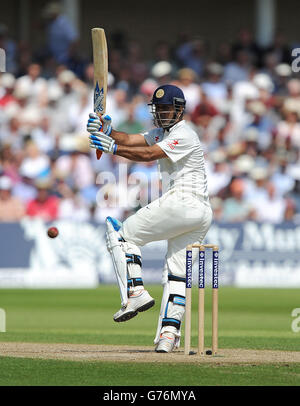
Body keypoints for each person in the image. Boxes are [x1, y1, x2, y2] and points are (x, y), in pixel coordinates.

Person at [87, 84, 212, 353]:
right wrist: (106, 131)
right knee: (177, 274)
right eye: (159, 109)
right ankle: (169, 335)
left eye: (167, 108)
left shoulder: (185, 134)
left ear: (179, 109)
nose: (163, 113)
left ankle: (135, 293)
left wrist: (112, 148)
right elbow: (133, 140)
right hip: (199, 212)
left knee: (120, 234)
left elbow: (147, 155)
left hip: (184, 202)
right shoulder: (162, 132)